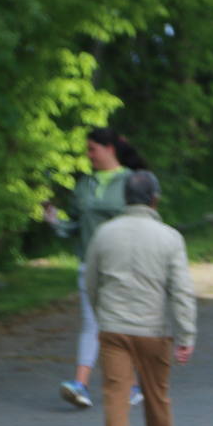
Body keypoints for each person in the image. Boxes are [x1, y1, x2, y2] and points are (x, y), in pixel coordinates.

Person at [83, 171, 196, 426]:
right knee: (156, 394)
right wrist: (186, 335)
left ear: (125, 199)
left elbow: (91, 283)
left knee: (115, 397)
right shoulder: (169, 237)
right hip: (152, 330)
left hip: (113, 329)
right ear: (154, 199)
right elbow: (181, 291)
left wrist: (101, 316)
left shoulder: (104, 234)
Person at [44, 128, 149, 408]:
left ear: (110, 149)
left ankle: (132, 385)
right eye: (88, 150)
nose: (88, 155)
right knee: (92, 324)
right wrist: (55, 222)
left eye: (93, 149)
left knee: (121, 325)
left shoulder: (133, 181)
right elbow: (76, 225)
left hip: (124, 264)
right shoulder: (85, 184)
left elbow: (145, 221)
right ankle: (80, 385)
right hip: (90, 263)